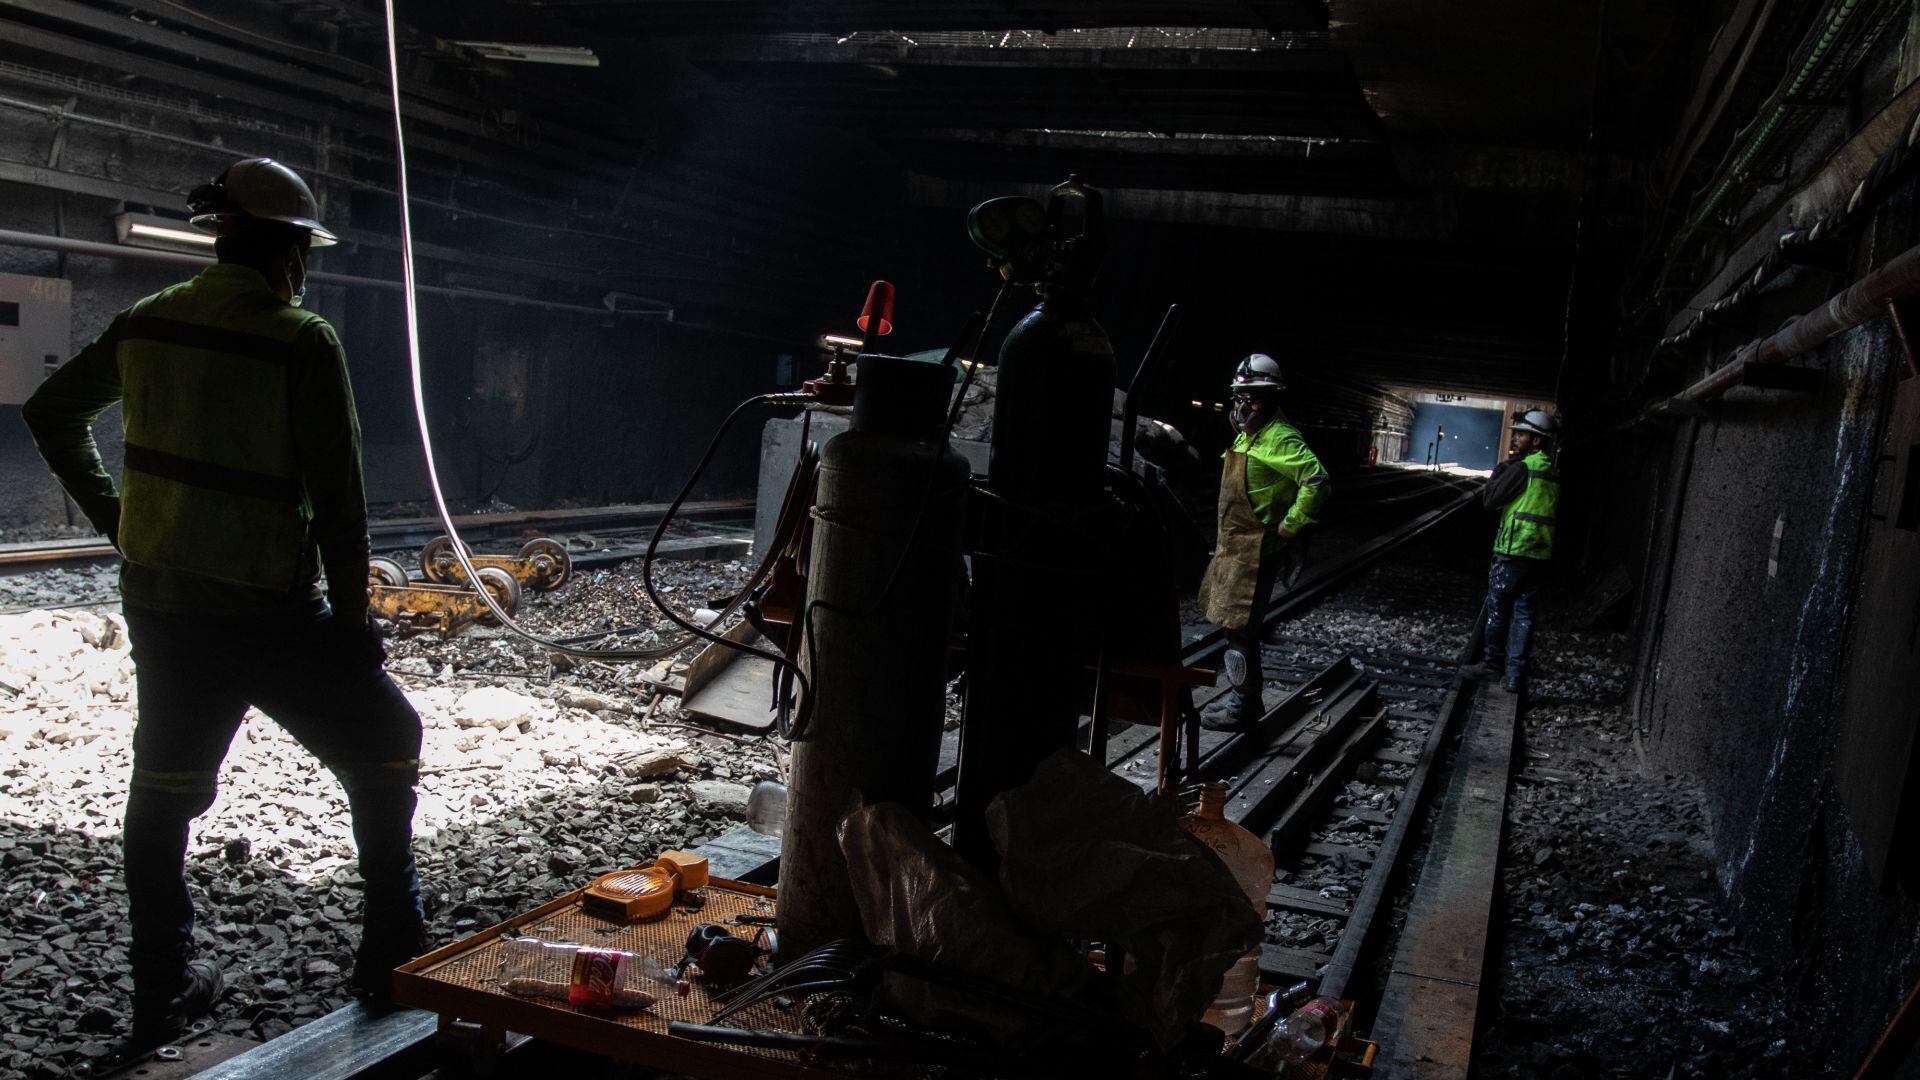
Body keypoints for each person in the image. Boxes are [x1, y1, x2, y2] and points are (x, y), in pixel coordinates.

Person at [20, 158, 425, 1055]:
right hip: (272, 614)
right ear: (287, 252)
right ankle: (392, 945)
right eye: (302, 251)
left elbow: (51, 411)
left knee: (161, 792)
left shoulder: (146, 322)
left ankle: (162, 979)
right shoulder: (301, 339)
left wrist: (118, 519)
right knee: (390, 741)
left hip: (166, 607)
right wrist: (356, 623)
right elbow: (340, 502)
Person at [1196, 354, 1330, 728]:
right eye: (1240, 396)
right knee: (1232, 627)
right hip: (1235, 549)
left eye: (1253, 397)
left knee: (1240, 631)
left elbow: (1316, 480)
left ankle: (1244, 705)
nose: (1243, 405)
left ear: (1272, 399)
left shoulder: (1280, 438)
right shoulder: (1250, 435)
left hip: (1255, 552)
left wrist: (1290, 527)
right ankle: (1244, 699)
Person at [1463, 409, 1560, 693]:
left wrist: (1500, 471)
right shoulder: (1551, 469)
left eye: (1521, 434)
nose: (1515, 437)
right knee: (1525, 613)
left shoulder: (1522, 468)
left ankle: (1493, 663)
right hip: (1539, 551)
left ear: (1537, 441)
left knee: (1499, 608)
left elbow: (1490, 500)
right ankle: (1515, 674)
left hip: (1513, 548)